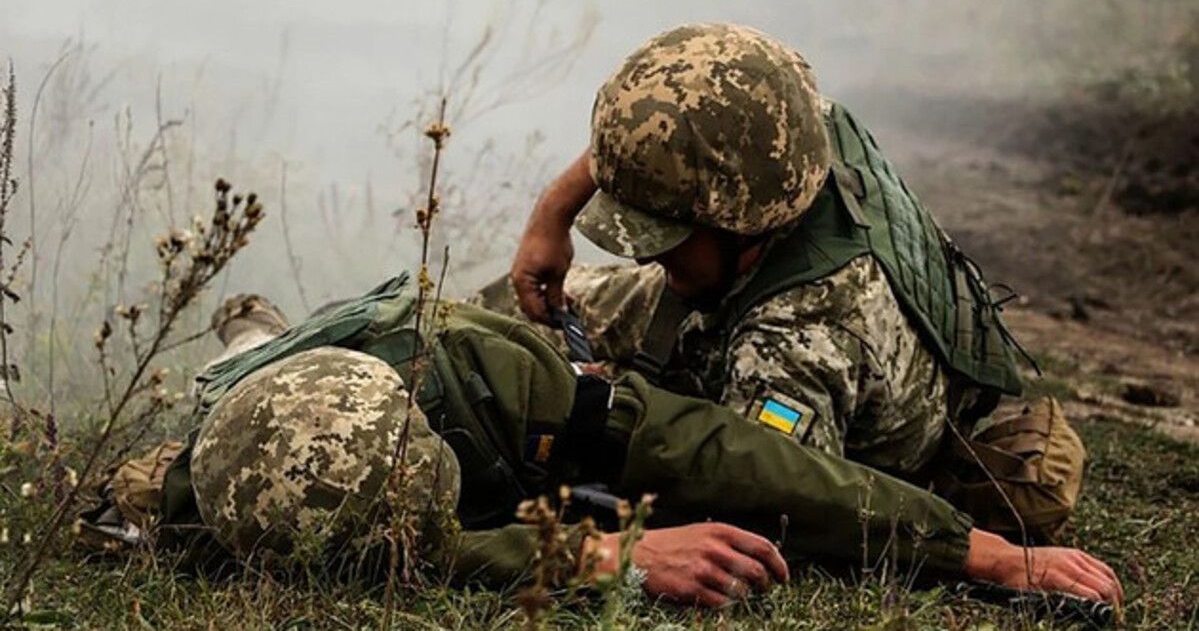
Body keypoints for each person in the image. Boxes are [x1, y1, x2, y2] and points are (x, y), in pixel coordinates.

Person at [136, 279, 1121, 609]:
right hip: (260, 399)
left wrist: (976, 550)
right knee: (244, 348)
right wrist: (596, 557)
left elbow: (723, 456)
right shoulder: (202, 503)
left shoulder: (489, 376)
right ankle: (249, 320)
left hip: (435, 360)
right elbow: (424, 552)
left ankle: (256, 315)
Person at [491, 22, 1085, 545]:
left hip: (812, 389)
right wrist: (554, 214)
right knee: (508, 319)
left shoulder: (800, 340)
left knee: (546, 392)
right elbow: (664, 127)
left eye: (667, 235)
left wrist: (610, 404)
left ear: (739, 216)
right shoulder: (783, 126)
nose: (654, 257)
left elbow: (761, 502)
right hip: (742, 280)